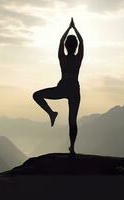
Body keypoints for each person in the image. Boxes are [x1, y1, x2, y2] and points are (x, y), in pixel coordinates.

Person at [33, 18, 83, 155]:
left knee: (36, 95)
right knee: (72, 120)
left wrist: (68, 29)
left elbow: (61, 42)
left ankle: (51, 113)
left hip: (62, 87)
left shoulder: (62, 57)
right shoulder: (78, 58)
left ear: (67, 46)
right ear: (76, 46)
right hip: (74, 89)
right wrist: (74, 28)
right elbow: (82, 42)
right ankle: (72, 147)